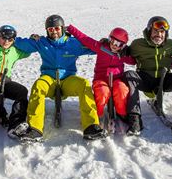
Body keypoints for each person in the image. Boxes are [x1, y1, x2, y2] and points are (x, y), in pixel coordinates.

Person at [14, 14, 105, 142]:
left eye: (57, 28)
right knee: (38, 85)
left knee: (84, 84)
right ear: (47, 31)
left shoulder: (74, 43)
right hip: (49, 79)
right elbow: (21, 44)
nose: (54, 32)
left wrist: (105, 43)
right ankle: (35, 128)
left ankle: (91, 126)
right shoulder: (42, 42)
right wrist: (6, 36)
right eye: (50, 29)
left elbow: (94, 48)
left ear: (62, 28)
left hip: (68, 80)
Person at [124, 16, 172, 136]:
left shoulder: (171, 45)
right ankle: (134, 119)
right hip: (145, 79)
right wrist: (108, 43)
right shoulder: (138, 44)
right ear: (149, 30)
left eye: (162, 32)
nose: (159, 35)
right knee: (129, 74)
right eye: (156, 31)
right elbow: (122, 51)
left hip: (164, 80)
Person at [66, 24, 138, 134]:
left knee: (121, 89)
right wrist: (71, 29)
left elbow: (134, 61)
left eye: (118, 44)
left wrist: (128, 52)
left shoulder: (123, 54)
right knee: (102, 92)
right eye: (112, 41)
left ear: (123, 45)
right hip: (101, 79)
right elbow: (85, 39)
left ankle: (121, 113)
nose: (114, 45)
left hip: (117, 79)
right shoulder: (101, 47)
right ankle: (96, 116)